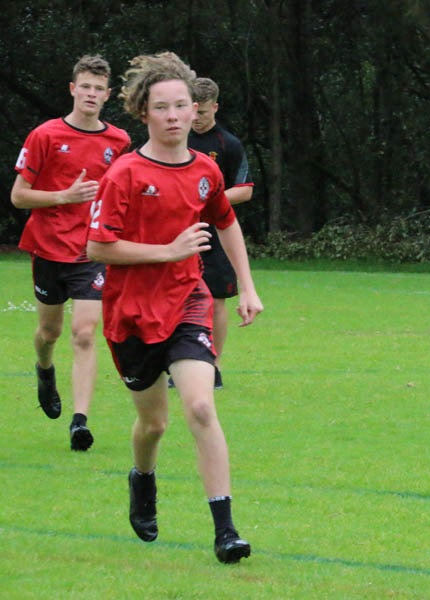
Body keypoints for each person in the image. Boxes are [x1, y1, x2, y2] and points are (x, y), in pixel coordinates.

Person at [86, 51, 262, 564]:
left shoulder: (206, 170)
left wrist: (247, 287)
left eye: (181, 105)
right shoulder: (124, 174)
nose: (173, 116)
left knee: (201, 406)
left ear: (194, 110)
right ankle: (142, 477)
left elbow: (225, 221)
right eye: (161, 107)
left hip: (188, 299)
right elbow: (98, 246)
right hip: (131, 312)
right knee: (154, 425)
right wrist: (165, 251)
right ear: (143, 112)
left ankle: (226, 531)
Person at [11, 54, 131, 451]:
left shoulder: (119, 142)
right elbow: (18, 197)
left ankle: (80, 422)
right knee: (50, 332)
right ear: (73, 89)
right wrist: (64, 196)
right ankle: (45, 369)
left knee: (84, 333)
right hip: (48, 247)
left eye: (99, 88)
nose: (91, 94)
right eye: (86, 87)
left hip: (91, 251)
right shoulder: (44, 135)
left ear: (108, 95)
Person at [173, 76, 254, 390]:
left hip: (216, 233)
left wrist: (206, 201)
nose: (196, 118)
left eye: (203, 112)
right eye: (192, 111)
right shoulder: (175, 138)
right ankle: (180, 362)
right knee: (178, 297)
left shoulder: (228, 144)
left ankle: (214, 366)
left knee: (216, 300)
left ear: (215, 108)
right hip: (177, 232)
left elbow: (245, 190)